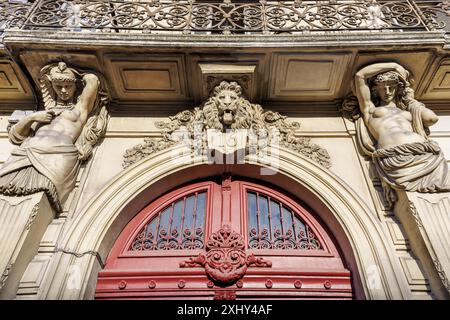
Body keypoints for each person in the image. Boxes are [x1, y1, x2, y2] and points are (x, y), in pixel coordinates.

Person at [0, 62, 108, 213]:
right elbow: (16, 136)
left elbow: (93, 80)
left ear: (76, 86)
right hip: (26, 153)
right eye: (58, 86)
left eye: (68, 86)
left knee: (41, 201)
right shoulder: (44, 112)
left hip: (56, 158)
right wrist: (32, 117)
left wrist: (73, 71)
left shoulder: (79, 110)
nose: (63, 91)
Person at [353, 62, 450, 204]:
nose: (387, 92)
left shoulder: (407, 110)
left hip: (425, 154)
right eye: (383, 88)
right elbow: (359, 76)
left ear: (398, 89)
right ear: (375, 90)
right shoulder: (370, 109)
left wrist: (410, 100)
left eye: (391, 88)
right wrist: (393, 65)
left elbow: (431, 118)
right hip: (394, 156)